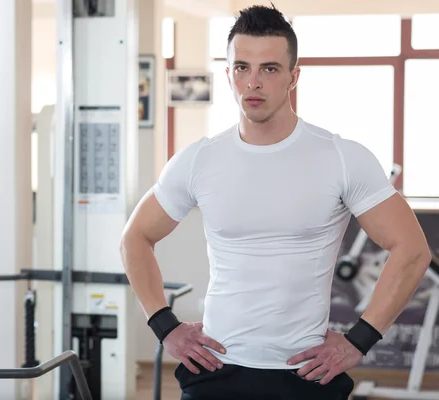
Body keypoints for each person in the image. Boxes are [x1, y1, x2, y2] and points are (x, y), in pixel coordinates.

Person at [120, 4, 432, 400]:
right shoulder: (199, 159)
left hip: (305, 373)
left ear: (292, 76)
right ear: (228, 73)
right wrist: (166, 326)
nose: (253, 82)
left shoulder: (340, 157)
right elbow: (134, 238)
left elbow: (411, 250)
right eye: (242, 68)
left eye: (269, 68)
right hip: (215, 369)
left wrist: (359, 340)